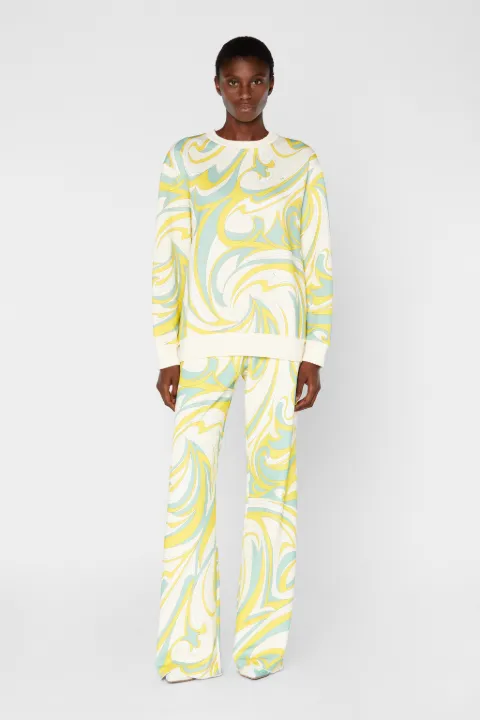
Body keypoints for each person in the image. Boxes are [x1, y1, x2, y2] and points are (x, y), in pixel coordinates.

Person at [152, 35, 333, 683]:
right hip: (204, 342)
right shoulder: (186, 158)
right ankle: (188, 649)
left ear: (272, 84)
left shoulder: (300, 161)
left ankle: (260, 648)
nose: (245, 93)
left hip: (279, 345)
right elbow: (170, 255)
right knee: (189, 488)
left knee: (272, 493)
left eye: (257, 81)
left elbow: (316, 258)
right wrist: (167, 351)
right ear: (217, 84)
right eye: (234, 81)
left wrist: (313, 353)